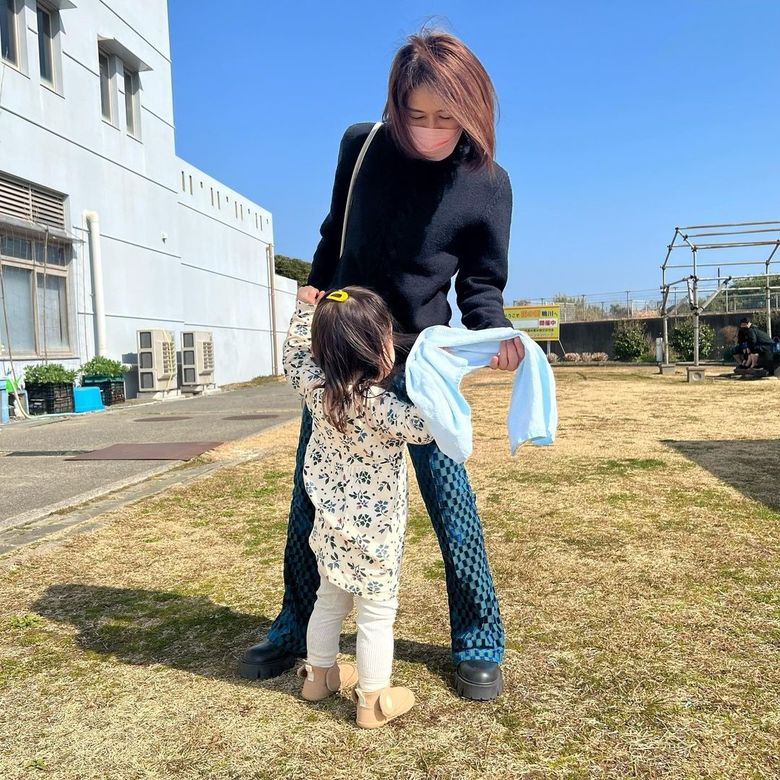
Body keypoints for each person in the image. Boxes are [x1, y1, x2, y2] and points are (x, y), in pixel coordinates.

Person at [240, 30, 523, 701]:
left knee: (451, 504)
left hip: (419, 363)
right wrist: (313, 288)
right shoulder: (361, 145)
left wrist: (496, 332)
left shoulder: (488, 183)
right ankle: (294, 627)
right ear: (396, 106)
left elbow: (481, 285)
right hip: (342, 354)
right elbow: (334, 230)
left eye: (447, 118)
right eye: (416, 115)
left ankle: (478, 640)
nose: (429, 132)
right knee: (315, 498)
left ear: (475, 112)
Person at [284, 284, 432, 728]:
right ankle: (372, 699)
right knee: (375, 614)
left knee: (328, 599)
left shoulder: (316, 390)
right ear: (378, 348)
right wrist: (437, 376)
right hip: (377, 535)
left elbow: (292, 357)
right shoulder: (384, 406)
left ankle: (319, 675)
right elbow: (428, 429)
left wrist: (302, 311)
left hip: (329, 526)